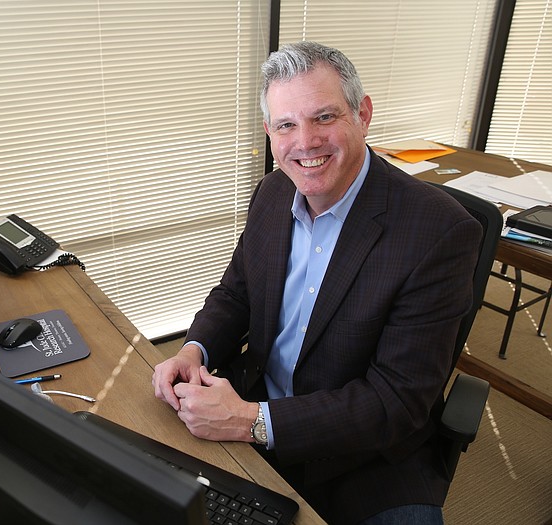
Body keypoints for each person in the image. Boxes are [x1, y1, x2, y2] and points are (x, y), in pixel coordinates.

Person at [152, 41, 482, 525]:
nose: (304, 142)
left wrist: (250, 422)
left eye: (324, 117)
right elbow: (236, 292)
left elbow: (397, 400)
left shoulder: (439, 233)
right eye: (286, 124)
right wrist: (193, 352)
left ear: (362, 114)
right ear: (269, 132)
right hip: (254, 398)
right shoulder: (271, 192)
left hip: (367, 455)